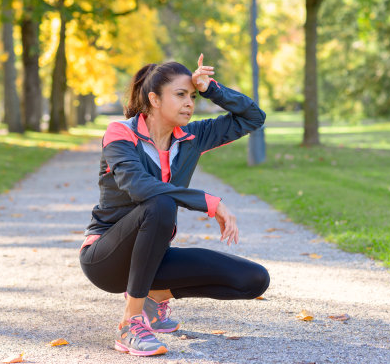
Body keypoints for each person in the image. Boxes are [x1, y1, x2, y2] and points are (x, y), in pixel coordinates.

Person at [79, 54, 270, 356]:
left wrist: (212, 90)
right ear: (154, 99)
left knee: (254, 279)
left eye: (192, 96)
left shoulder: (192, 137)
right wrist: (207, 201)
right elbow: (139, 187)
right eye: (180, 95)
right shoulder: (121, 132)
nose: (189, 103)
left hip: (152, 257)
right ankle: (131, 323)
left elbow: (253, 118)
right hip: (105, 259)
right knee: (160, 203)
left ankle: (153, 299)